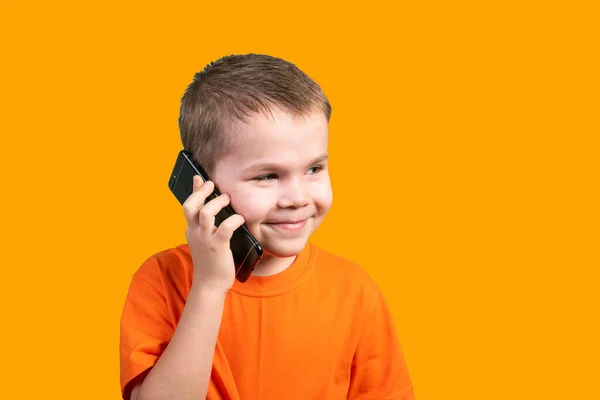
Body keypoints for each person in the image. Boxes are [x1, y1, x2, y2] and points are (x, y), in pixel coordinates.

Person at [120, 53, 414, 400]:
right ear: (202, 185)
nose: (298, 197)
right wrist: (210, 286)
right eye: (267, 176)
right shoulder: (161, 280)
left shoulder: (355, 292)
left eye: (314, 169)